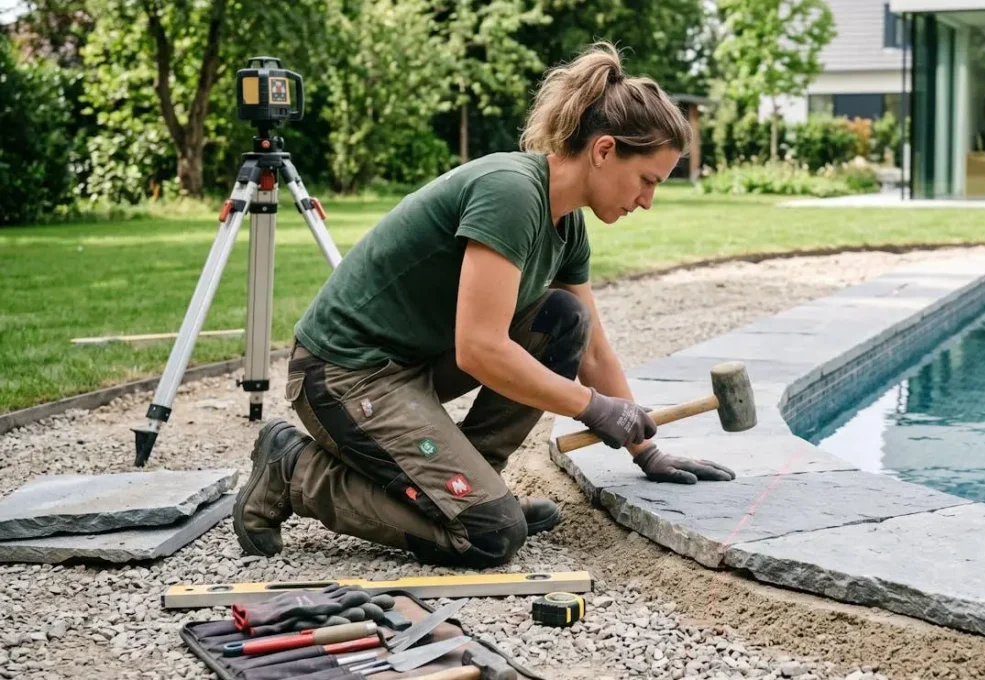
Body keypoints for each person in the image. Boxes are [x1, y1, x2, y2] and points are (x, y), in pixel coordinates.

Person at [231, 43, 736, 569]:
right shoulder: (512, 193)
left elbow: (593, 351)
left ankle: (474, 485)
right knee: (489, 535)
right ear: (605, 150)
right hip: (344, 376)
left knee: (564, 321)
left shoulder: (568, 225)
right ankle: (295, 473)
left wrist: (646, 451)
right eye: (648, 180)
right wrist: (591, 407)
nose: (648, 200)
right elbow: (479, 350)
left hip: (409, 368)